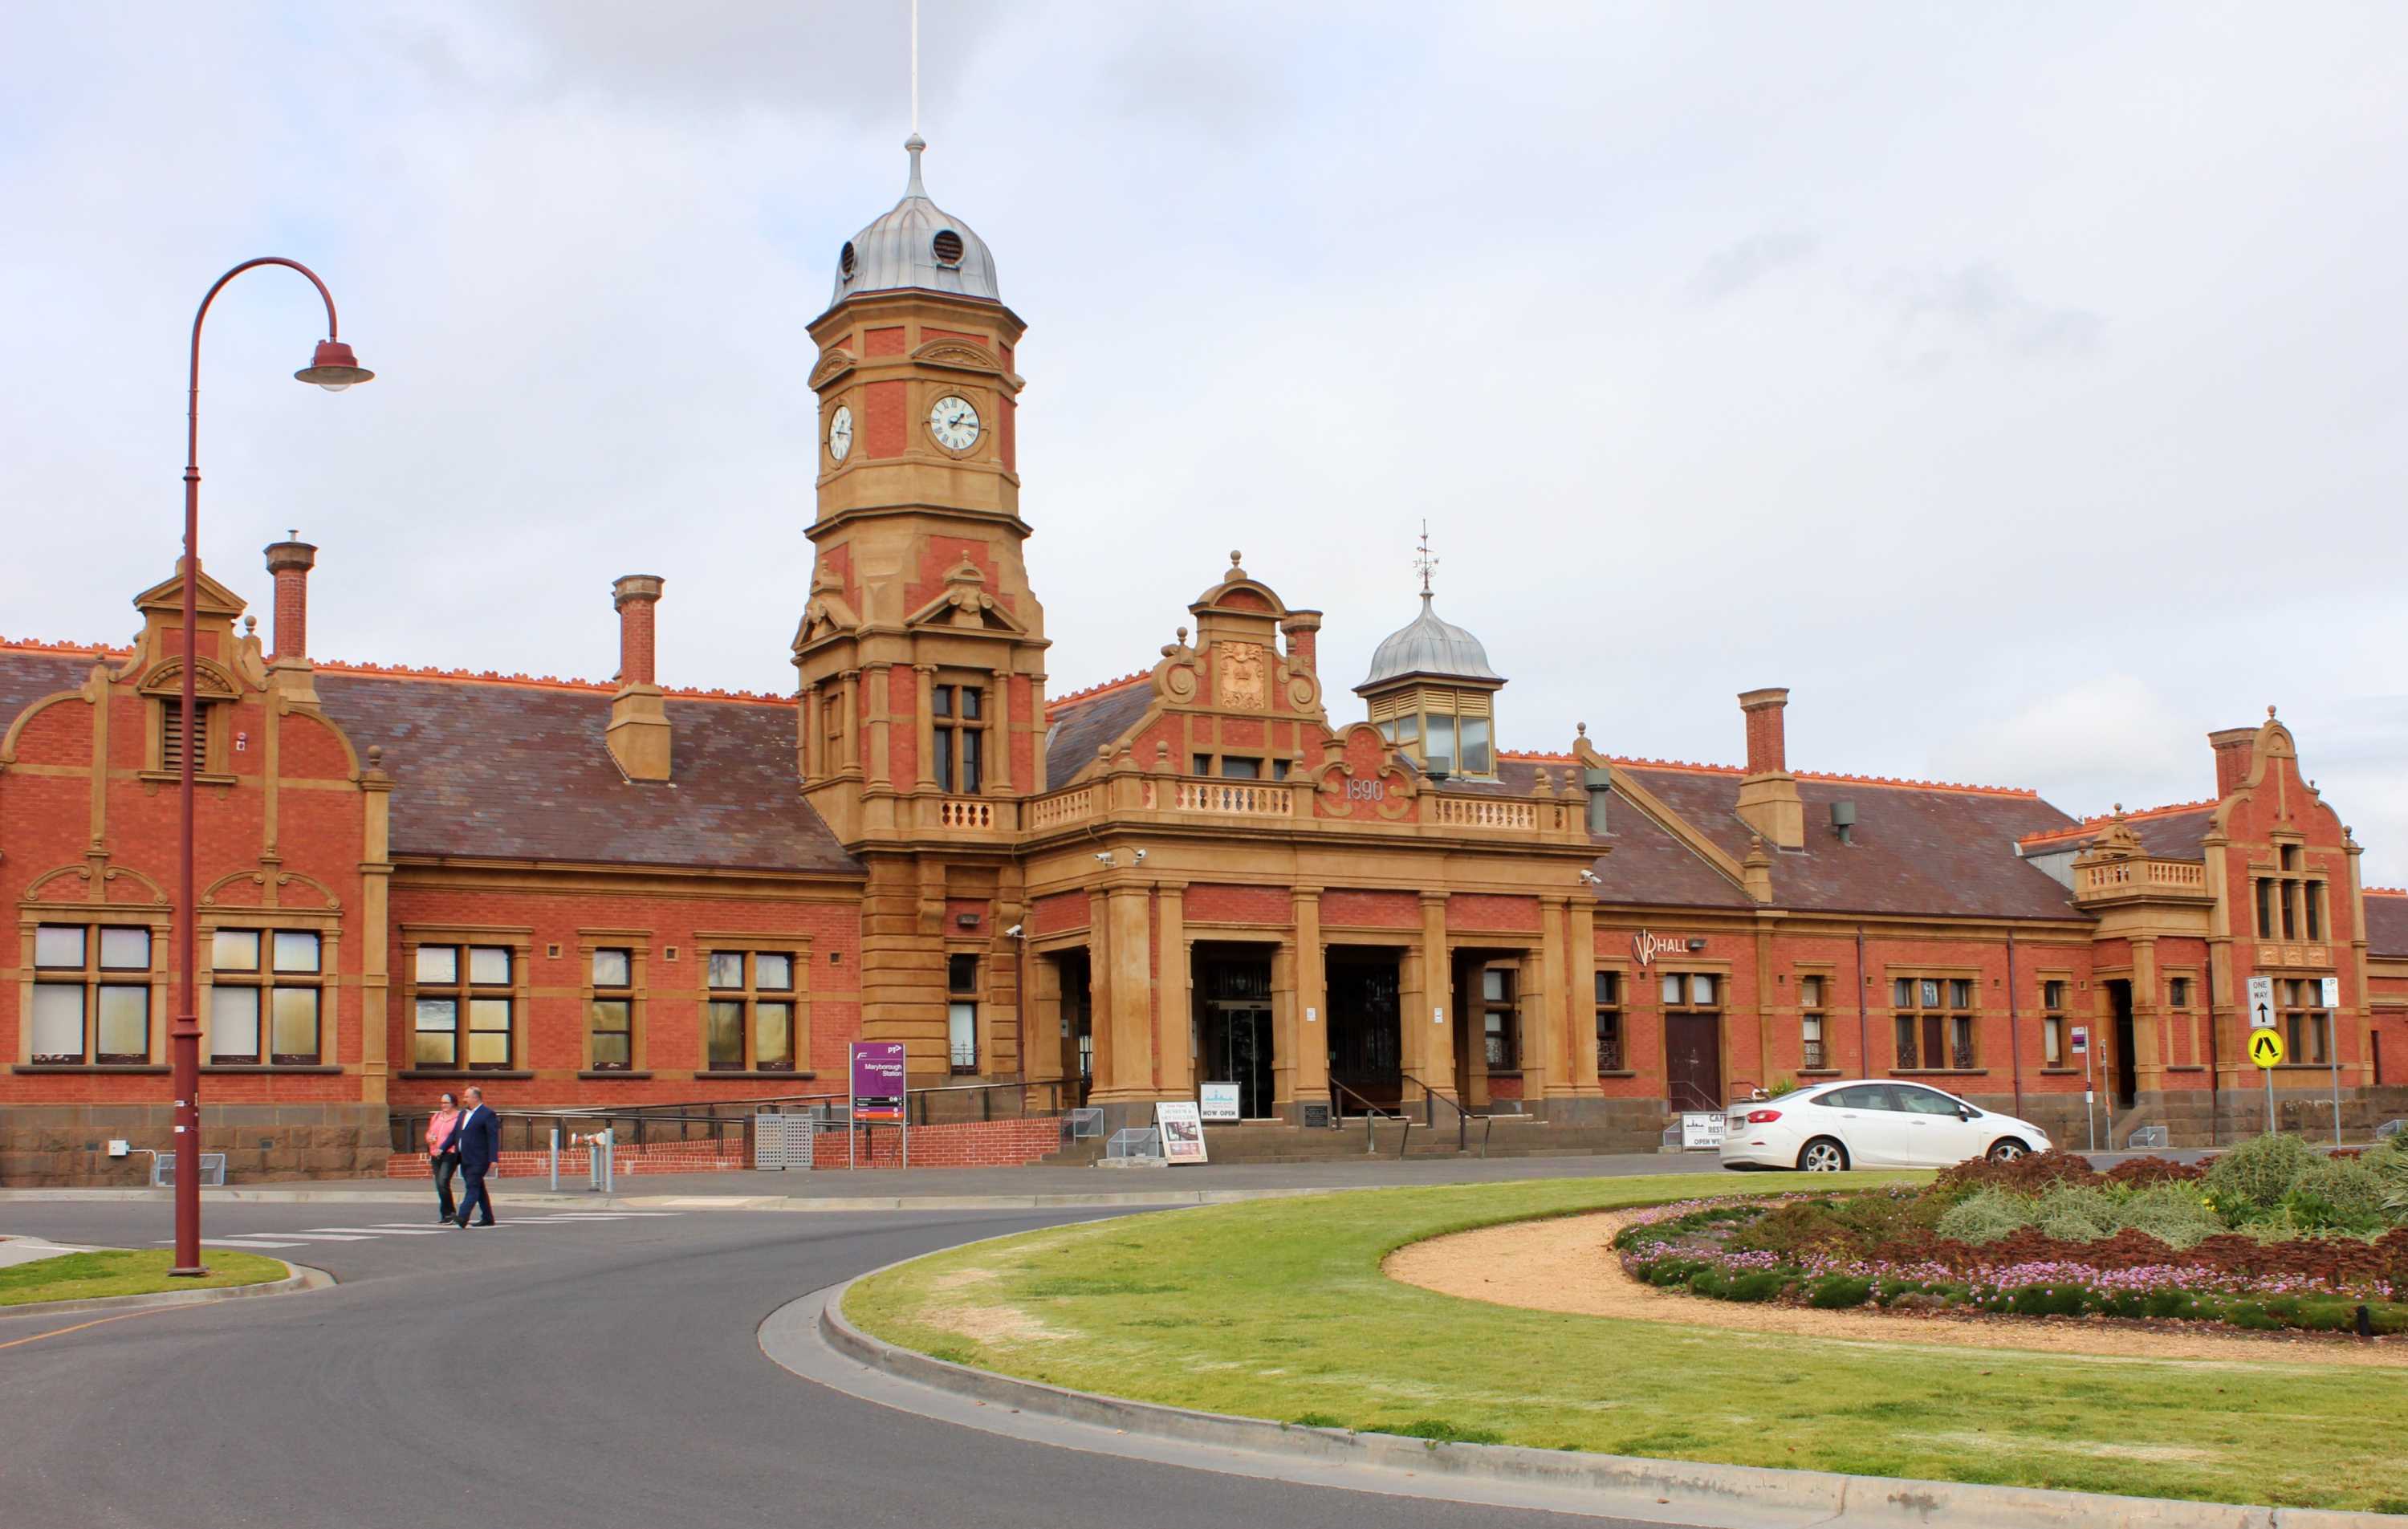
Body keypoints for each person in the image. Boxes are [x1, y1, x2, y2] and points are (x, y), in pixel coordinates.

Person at [444, 1086, 500, 1229]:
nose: (464, 1099)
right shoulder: (463, 1114)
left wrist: (494, 1158)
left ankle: (463, 1216)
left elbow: (492, 1137)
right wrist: (442, 1147)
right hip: (464, 1157)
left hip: (479, 1158)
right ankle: (488, 1217)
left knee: (472, 1186)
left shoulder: (487, 1114)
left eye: (467, 1097)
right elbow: (455, 1134)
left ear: (476, 1098)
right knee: (478, 1187)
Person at [425, 1092, 462, 1225]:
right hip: (435, 1153)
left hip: (450, 1153)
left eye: (446, 1103)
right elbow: (430, 1132)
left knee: (443, 1181)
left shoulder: (458, 1117)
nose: (443, 1105)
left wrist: (446, 1147)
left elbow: (456, 1136)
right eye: (442, 1103)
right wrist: (430, 1138)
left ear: (453, 1103)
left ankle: (450, 1214)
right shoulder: (436, 1116)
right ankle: (446, 1214)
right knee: (439, 1184)